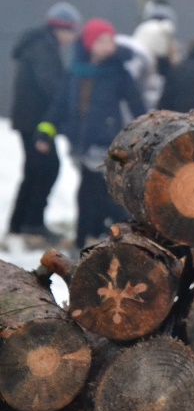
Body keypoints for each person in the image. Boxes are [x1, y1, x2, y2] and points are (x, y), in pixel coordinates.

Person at [35, 18, 146, 249]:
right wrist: (45, 132)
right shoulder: (75, 72)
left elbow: (136, 104)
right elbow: (60, 105)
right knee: (92, 193)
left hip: (106, 143)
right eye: (101, 41)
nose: (108, 46)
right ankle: (92, 238)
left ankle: (100, 238)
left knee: (99, 192)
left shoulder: (118, 71)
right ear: (89, 44)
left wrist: (146, 130)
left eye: (110, 41)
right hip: (81, 143)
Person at [6, 2, 81, 241]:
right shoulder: (43, 48)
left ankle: (18, 224)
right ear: (61, 28)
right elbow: (51, 86)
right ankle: (32, 223)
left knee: (33, 171)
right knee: (47, 169)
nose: (73, 37)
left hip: (30, 120)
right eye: (72, 31)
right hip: (36, 122)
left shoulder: (40, 44)